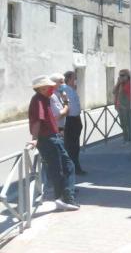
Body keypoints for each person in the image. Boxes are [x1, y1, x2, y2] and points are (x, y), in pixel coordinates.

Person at [27, 75, 79, 210]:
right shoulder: (38, 99)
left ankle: (63, 197)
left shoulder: (44, 98)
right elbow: (38, 120)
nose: (52, 88)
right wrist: (34, 138)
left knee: (63, 167)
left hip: (53, 136)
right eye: (49, 87)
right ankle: (64, 198)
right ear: (42, 88)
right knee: (63, 167)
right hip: (48, 138)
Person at [61, 71, 86, 175]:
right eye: (74, 78)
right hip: (70, 120)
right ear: (69, 79)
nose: (76, 81)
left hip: (75, 118)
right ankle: (73, 168)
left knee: (75, 146)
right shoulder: (65, 89)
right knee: (71, 146)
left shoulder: (72, 89)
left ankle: (75, 166)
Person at [113, 69, 131, 143]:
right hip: (120, 107)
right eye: (120, 75)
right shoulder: (120, 84)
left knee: (128, 124)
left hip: (126, 107)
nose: (121, 77)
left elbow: (126, 93)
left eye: (123, 75)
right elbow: (113, 92)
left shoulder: (129, 84)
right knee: (122, 124)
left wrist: (121, 84)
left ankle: (128, 139)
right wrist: (118, 83)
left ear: (127, 76)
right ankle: (125, 138)